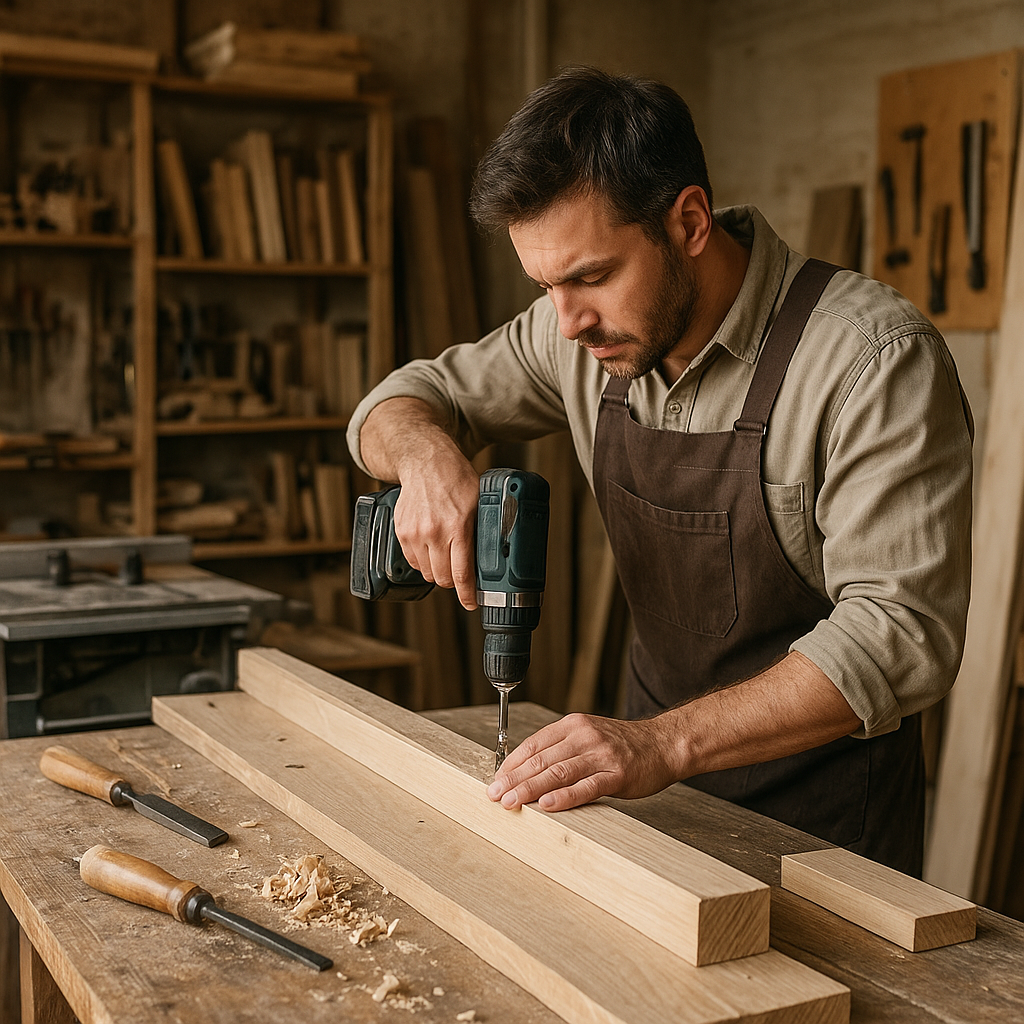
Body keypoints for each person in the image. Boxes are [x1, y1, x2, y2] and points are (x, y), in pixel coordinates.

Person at [346, 66, 973, 875]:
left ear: (689, 221)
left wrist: (661, 741)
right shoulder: (581, 333)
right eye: (545, 285)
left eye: (590, 277)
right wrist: (426, 456)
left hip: (826, 836)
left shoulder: (870, 360)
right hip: (651, 807)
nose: (567, 322)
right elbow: (399, 400)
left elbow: (901, 633)